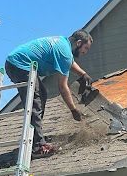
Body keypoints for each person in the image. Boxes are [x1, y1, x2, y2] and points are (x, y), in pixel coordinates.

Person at [5, 30, 93, 158]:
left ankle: (36, 139)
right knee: (35, 101)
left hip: (17, 63)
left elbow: (69, 62)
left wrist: (83, 74)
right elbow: (62, 87)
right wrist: (73, 110)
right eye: (85, 48)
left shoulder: (63, 43)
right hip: (20, 65)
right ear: (79, 43)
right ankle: (37, 147)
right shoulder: (64, 53)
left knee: (41, 95)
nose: (85, 52)